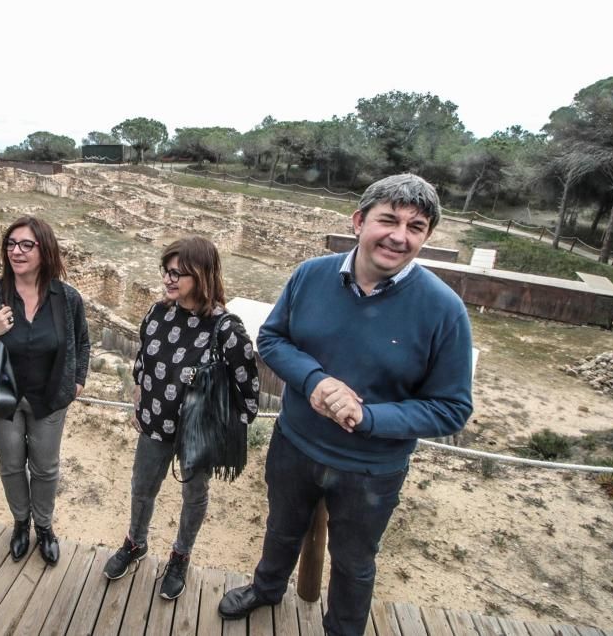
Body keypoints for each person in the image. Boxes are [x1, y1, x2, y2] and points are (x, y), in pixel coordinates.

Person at [218, 173, 474, 634]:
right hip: (295, 444)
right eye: (388, 220)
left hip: (371, 469)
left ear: (427, 236)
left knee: (355, 562)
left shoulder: (444, 309)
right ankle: (267, 589)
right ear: (359, 221)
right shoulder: (310, 275)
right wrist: (314, 381)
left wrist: (368, 416)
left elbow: (451, 408)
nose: (399, 236)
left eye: (416, 227)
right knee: (280, 529)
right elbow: (272, 339)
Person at [103, 236, 260, 600]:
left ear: (202, 276)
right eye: (167, 271)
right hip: (154, 424)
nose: (169, 279)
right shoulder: (158, 313)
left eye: (180, 273)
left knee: (194, 495)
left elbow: (248, 389)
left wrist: (223, 428)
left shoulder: (226, 329)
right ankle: (135, 542)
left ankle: (180, 556)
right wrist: (139, 401)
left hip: (197, 435)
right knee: (142, 487)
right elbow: (142, 363)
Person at [0, 216, 90, 567]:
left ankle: (43, 527)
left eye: (27, 244)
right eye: (11, 244)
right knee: (11, 466)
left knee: (45, 468)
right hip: (3, 400)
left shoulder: (67, 298)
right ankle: (20, 522)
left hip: (50, 399)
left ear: (45, 249)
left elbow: (83, 342)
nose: (17, 251)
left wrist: (78, 380)